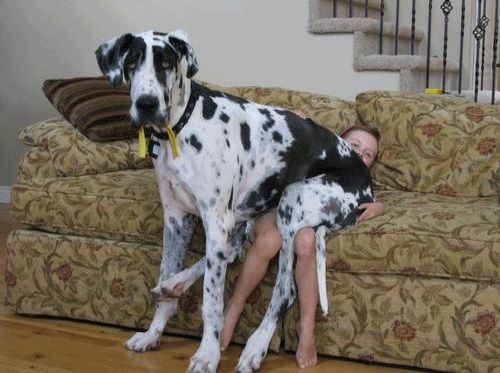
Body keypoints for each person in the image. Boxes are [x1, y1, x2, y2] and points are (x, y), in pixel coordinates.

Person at [220, 125, 384, 368]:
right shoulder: (315, 152)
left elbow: (362, 199)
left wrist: (379, 206)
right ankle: (235, 306)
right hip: (273, 207)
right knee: (269, 241)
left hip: (308, 217)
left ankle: (306, 328)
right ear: (337, 142)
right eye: (355, 146)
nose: (359, 154)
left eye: (367, 154)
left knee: (305, 241)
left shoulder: (354, 184)